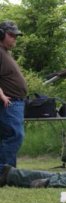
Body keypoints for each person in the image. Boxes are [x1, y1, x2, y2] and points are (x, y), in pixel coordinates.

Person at [0, 20, 27, 176]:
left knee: (8, 137)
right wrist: (2, 94)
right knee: (15, 135)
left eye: (16, 36)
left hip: (15, 102)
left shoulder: (5, 53)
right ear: (1, 34)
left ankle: (8, 172)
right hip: (9, 102)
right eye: (11, 35)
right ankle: (5, 173)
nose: (14, 39)